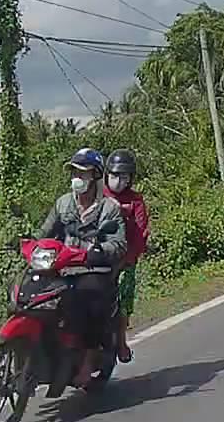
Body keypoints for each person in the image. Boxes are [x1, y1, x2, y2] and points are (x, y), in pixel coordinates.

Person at [38, 148, 128, 387]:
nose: (76, 178)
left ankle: (88, 361)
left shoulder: (109, 208)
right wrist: (28, 243)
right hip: (63, 267)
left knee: (85, 299)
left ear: (95, 175)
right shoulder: (63, 203)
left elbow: (119, 244)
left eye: (83, 173)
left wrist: (100, 251)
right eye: (74, 172)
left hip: (94, 270)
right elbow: (45, 232)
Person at [102, 148, 149, 364]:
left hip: (123, 261)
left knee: (123, 299)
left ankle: (121, 341)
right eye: (115, 175)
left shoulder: (136, 201)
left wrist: (127, 259)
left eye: (124, 177)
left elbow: (140, 234)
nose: (119, 181)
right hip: (93, 256)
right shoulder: (98, 195)